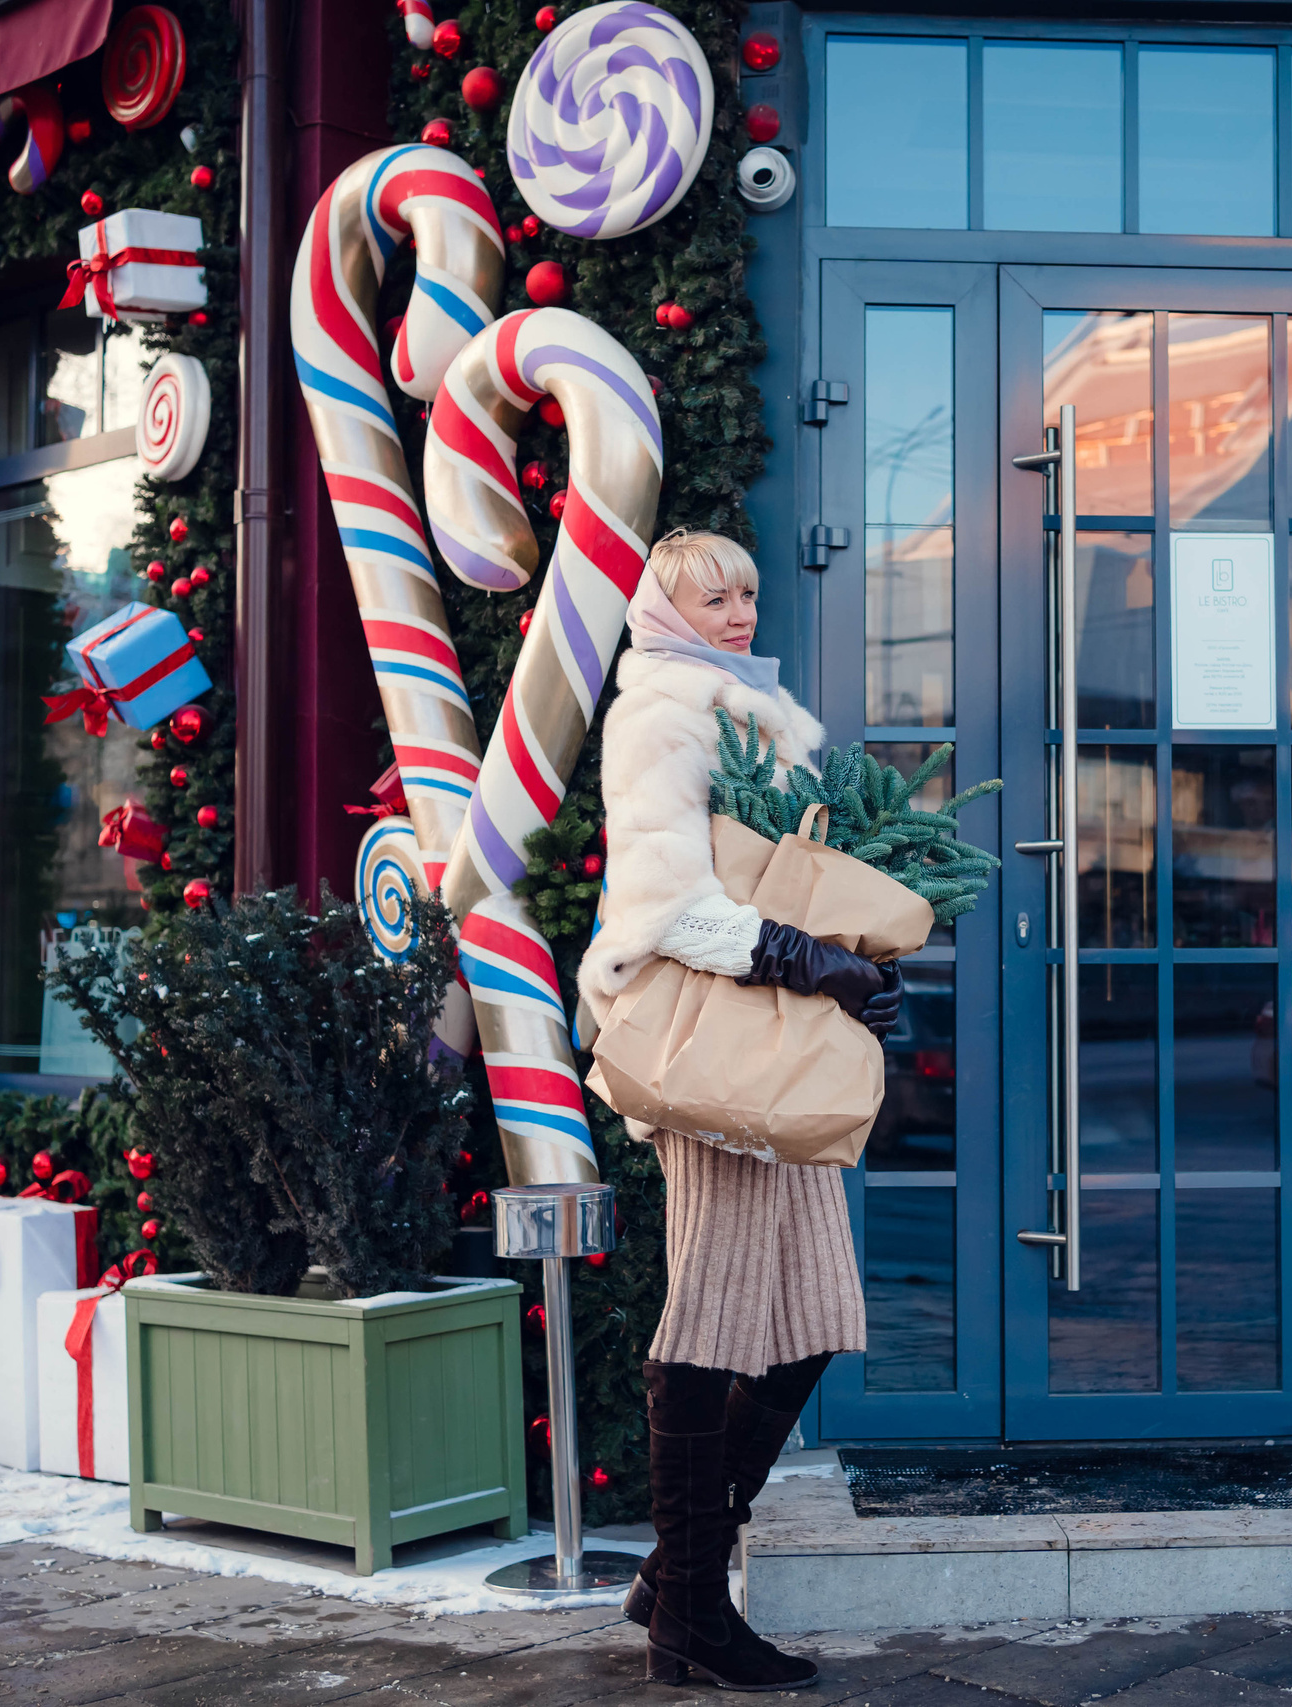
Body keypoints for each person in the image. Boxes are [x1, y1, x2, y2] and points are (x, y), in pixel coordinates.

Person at [579, 528, 900, 1691]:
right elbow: (670, 908)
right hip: (710, 1052)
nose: (737, 610)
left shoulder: (753, 714)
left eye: (747, 591)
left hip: (774, 1047)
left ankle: (675, 1578)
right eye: (709, 594)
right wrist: (815, 965)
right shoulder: (662, 715)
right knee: (709, 1318)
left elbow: (788, 873)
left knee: (814, 1318)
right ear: (662, 607)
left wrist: (855, 961)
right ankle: (692, 1622)